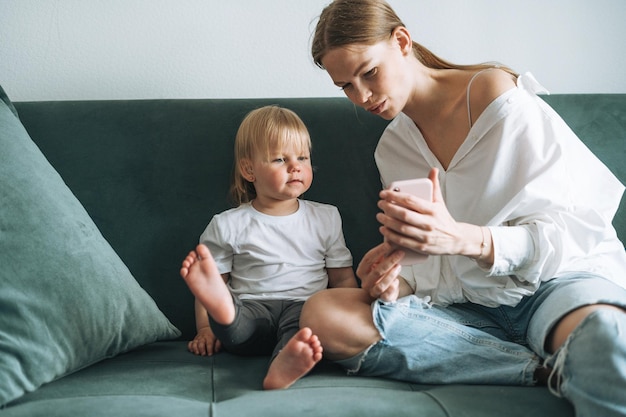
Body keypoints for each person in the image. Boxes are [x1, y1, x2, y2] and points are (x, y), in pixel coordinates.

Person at [300, 0, 626, 415]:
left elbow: (570, 232)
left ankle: (549, 357)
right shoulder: (394, 147)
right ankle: (540, 369)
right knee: (323, 314)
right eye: (346, 85)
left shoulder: (495, 96)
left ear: (402, 41)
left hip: (551, 287)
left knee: (606, 337)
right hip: (464, 312)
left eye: (369, 73)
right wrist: (392, 282)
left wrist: (463, 238)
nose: (362, 97)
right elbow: (430, 269)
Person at [180, 105, 357, 390]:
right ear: (249, 169)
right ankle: (223, 313)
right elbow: (211, 285)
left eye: (302, 157)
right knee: (239, 327)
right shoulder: (229, 224)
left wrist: (348, 315)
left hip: (307, 307)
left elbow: (343, 279)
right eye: (279, 159)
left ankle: (284, 365)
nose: (295, 166)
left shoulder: (326, 217)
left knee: (305, 334)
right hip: (253, 307)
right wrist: (204, 329)